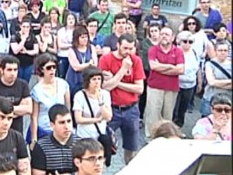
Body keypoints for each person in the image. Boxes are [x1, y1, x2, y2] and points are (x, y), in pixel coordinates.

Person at [99, 33, 145, 164]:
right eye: (125, 48)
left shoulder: (136, 60)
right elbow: (105, 86)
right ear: (117, 45)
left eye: (131, 48)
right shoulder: (105, 59)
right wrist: (123, 70)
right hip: (111, 109)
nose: (128, 52)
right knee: (103, 145)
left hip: (131, 109)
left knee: (131, 147)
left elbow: (139, 89)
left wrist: (116, 81)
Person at [145, 26, 184, 138]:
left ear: (172, 37)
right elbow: (153, 66)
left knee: (167, 116)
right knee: (152, 114)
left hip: (171, 88)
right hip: (155, 87)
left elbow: (181, 70)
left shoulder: (178, 51)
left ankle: (166, 137)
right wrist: (172, 67)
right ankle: (150, 138)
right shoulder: (153, 50)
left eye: (167, 34)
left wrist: (161, 67)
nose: (164, 36)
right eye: (162, 34)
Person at [72, 66, 113, 166]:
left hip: (99, 136)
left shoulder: (105, 94)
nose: (97, 82)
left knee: (98, 164)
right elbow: (78, 119)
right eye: (94, 79)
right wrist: (96, 119)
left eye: (99, 79)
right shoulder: (79, 95)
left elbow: (108, 117)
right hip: (84, 135)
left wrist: (100, 101)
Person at [29, 53, 70, 145]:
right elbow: (34, 117)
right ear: (41, 69)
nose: (52, 70)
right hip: (44, 129)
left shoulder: (63, 84)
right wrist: (34, 139)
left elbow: (68, 109)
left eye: (54, 67)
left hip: (61, 128)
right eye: (48, 68)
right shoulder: (36, 90)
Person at [0, 55, 32, 135]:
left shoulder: (23, 85)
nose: (13, 73)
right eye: (9, 70)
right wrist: (17, 110)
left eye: (15, 70)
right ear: (2, 70)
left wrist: (4, 110)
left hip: (17, 133)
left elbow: (28, 109)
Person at [30, 104, 79, 175]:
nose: (67, 126)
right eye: (62, 122)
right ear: (52, 125)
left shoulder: (80, 144)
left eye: (69, 121)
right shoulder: (41, 146)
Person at [172, 31, 201, 128]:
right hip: (176, 84)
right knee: (174, 109)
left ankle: (179, 127)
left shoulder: (194, 52)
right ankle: (171, 128)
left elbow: (198, 68)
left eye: (190, 41)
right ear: (179, 41)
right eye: (185, 41)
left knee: (183, 109)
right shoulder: (175, 52)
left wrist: (199, 82)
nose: (188, 44)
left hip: (190, 85)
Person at [199, 41, 232, 117]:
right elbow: (211, 82)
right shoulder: (209, 64)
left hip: (228, 100)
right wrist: (229, 82)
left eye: (225, 50)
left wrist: (217, 83)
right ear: (216, 51)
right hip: (210, 99)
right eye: (220, 50)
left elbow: (215, 83)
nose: (223, 53)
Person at [66, 26, 98, 97]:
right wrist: (89, 64)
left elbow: (95, 64)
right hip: (75, 79)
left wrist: (85, 65)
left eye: (86, 37)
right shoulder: (72, 50)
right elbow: (76, 67)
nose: (85, 39)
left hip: (88, 78)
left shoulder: (91, 48)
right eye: (82, 37)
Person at [10, 16, 39, 83]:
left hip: (29, 63)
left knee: (26, 82)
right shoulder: (15, 36)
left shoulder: (33, 37)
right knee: (17, 81)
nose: (25, 29)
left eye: (27, 27)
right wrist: (23, 40)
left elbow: (36, 51)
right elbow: (15, 51)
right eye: (24, 26)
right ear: (20, 26)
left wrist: (26, 51)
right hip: (17, 63)